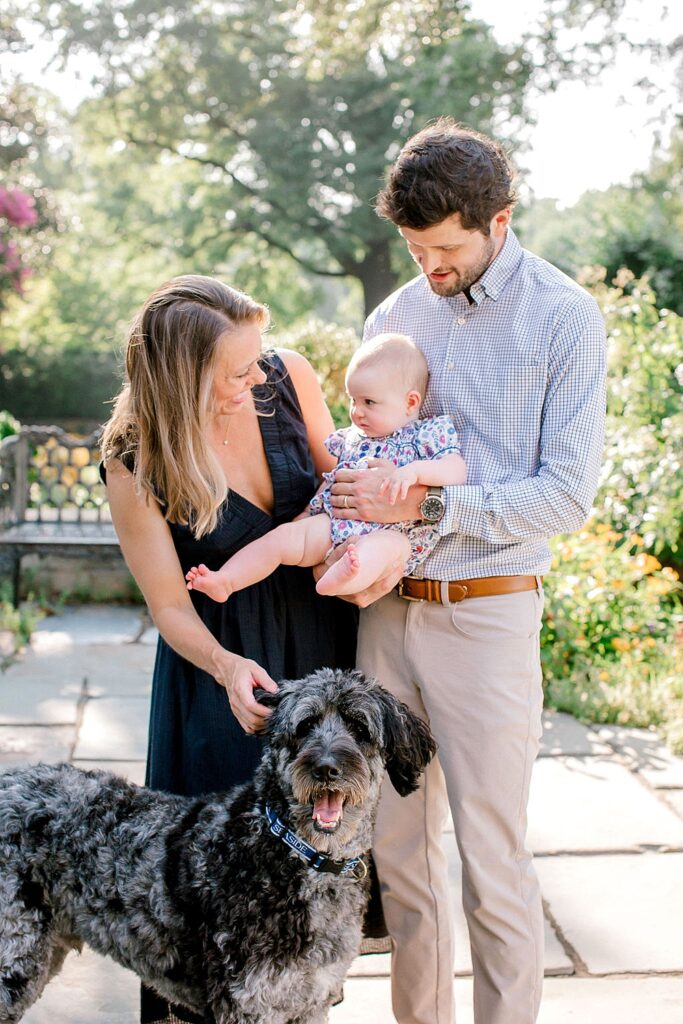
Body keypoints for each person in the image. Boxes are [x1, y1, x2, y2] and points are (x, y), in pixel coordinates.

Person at [325, 119, 607, 1024]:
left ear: (499, 218)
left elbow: (564, 495)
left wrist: (431, 507)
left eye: (444, 247)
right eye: (413, 247)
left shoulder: (563, 317)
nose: (428, 265)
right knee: (400, 861)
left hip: (488, 615)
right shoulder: (394, 317)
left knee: (492, 863)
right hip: (386, 615)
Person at [100, 274, 359, 1024]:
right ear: (181, 379)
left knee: (313, 891)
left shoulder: (289, 376)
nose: (257, 380)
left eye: (256, 362)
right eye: (235, 373)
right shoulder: (134, 458)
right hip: (222, 679)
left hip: (319, 652)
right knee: (215, 914)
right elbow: (169, 608)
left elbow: (339, 486)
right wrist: (225, 667)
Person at [184, 332, 466, 602]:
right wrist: (307, 513)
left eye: (369, 402)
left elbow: (456, 470)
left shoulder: (426, 435)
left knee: (384, 550)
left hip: (394, 532)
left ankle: (344, 578)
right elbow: (334, 479)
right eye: (353, 400)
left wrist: (414, 472)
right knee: (284, 538)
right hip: (334, 523)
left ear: (410, 402)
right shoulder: (353, 439)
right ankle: (227, 580)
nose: (356, 411)